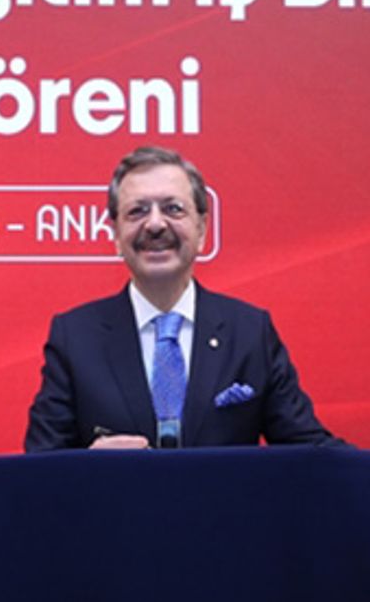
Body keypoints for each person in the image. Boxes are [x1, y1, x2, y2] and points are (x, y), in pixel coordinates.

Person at [25, 146, 344, 451]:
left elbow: (309, 450)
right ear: (116, 235)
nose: (155, 224)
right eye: (137, 211)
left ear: (202, 229)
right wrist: (89, 463)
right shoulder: (75, 337)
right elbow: (41, 464)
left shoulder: (249, 331)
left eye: (173, 209)